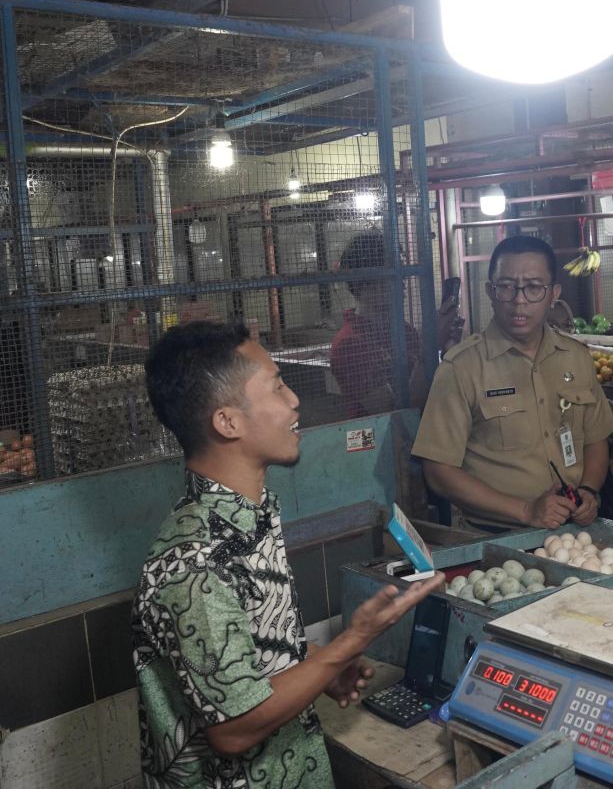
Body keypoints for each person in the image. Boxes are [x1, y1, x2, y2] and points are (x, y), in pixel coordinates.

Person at [137, 320, 443, 786]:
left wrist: (318, 669)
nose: (295, 400)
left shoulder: (253, 515)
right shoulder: (195, 563)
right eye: (277, 387)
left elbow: (249, 652)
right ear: (228, 421)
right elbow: (234, 728)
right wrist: (350, 642)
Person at [413, 235, 613, 532]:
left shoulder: (576, 357)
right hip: (493, 536)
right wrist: (525, 511)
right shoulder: (462, 367)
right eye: (507, 287)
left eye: (534, 287)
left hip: (572, 533)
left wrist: (589, 491)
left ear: (553, 294)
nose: (519, 300)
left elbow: (596, 438)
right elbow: (438, 471)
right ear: (490, 292)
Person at [329, 230, 463, 413]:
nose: (403, 282)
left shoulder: (404, 331)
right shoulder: (350, 344)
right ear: (363, 283)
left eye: (403, 273)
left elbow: (433, 390)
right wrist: (429, 347)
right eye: (393, 275)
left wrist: (448, 348)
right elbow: (396, 414)